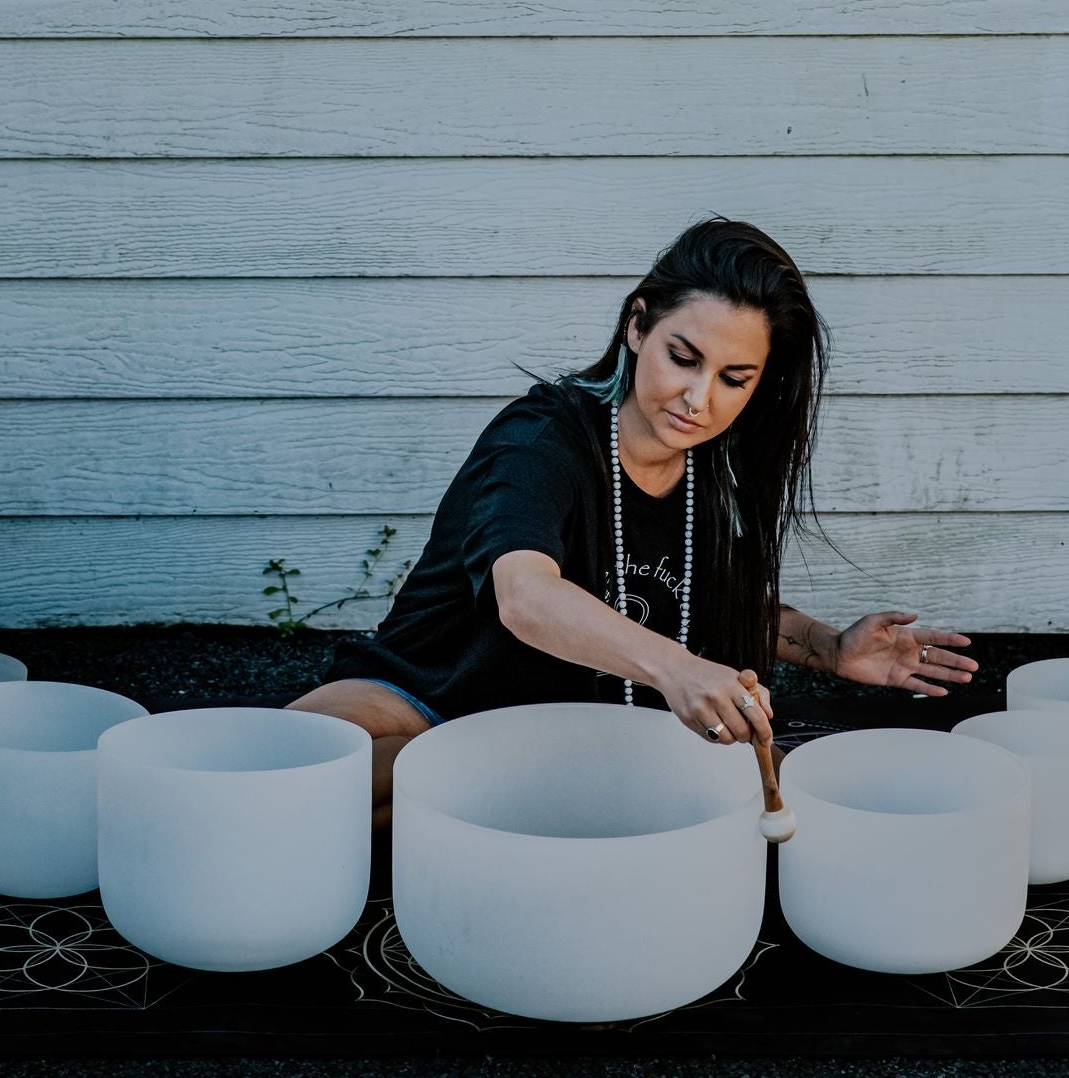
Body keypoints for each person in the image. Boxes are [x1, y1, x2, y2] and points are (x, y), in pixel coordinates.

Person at [286, 214, 978, 834]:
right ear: (637, 325)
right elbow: (523, 594)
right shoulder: (540, 440)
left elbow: (710, 602)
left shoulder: (708, 480)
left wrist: (829, 647)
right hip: (425, 699)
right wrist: (675, 670)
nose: (697, 398)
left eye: (733, 378)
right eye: (683, 357)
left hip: (564, 740)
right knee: (291, 774)